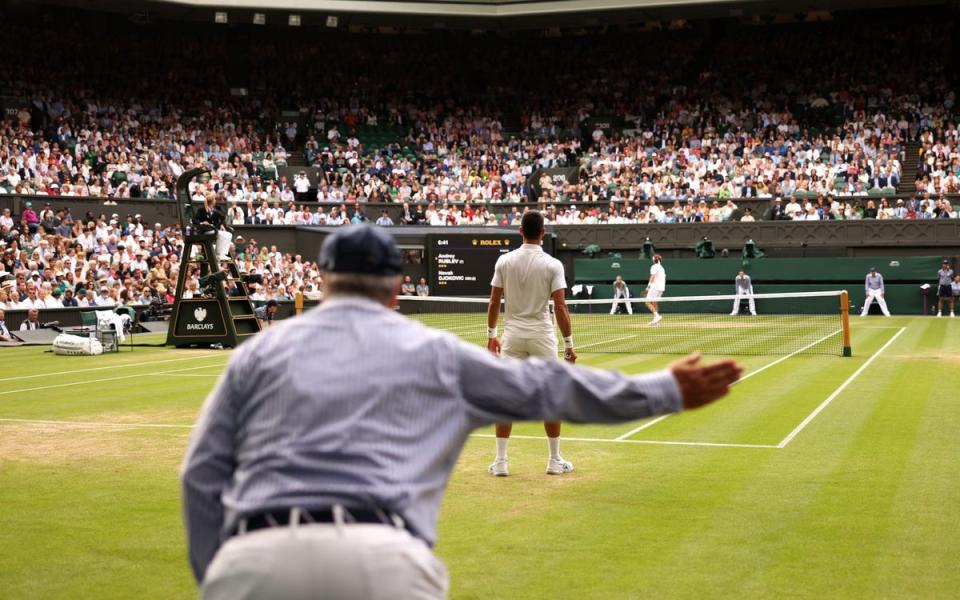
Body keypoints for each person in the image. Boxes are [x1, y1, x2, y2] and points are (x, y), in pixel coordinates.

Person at [181, 225, 742, 598]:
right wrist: (663, 390)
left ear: (324, 282)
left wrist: (222, 576)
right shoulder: (437, 355)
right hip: (384, 563)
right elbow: (552, 388)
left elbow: (201, 475)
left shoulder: (256, 355)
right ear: (398, 289)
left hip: (252, 564)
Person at [486, 210, 575, 477]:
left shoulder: (504, 261)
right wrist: (569, 343)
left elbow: (493, 302)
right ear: (543, 233)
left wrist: (492, 336)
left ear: (520, 231)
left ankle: (501, 463)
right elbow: (560, 306)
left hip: (512, 337)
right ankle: (554, 461)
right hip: (542, 337)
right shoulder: (552, 264)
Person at [194, 193, 232, 260]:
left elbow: (223, 217)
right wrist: (202, 222)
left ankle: (223, 253)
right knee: (221, 235)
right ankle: (218, 254)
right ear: (213, 201)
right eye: (214, 199)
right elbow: (194, 219)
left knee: (228, 235)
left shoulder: (215, 210)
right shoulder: (201, 209)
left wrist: (221, 225)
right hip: (204, 230)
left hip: (213, 229)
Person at [644, 254, 666, 325]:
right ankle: (656, 321)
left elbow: (652, 276)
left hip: (655, 287)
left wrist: (648, 286)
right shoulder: (662, 268)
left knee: (647, 302)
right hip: (661, 288)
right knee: (654, 303)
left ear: (654, 260)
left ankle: (656, 316)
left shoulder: (654, 266)